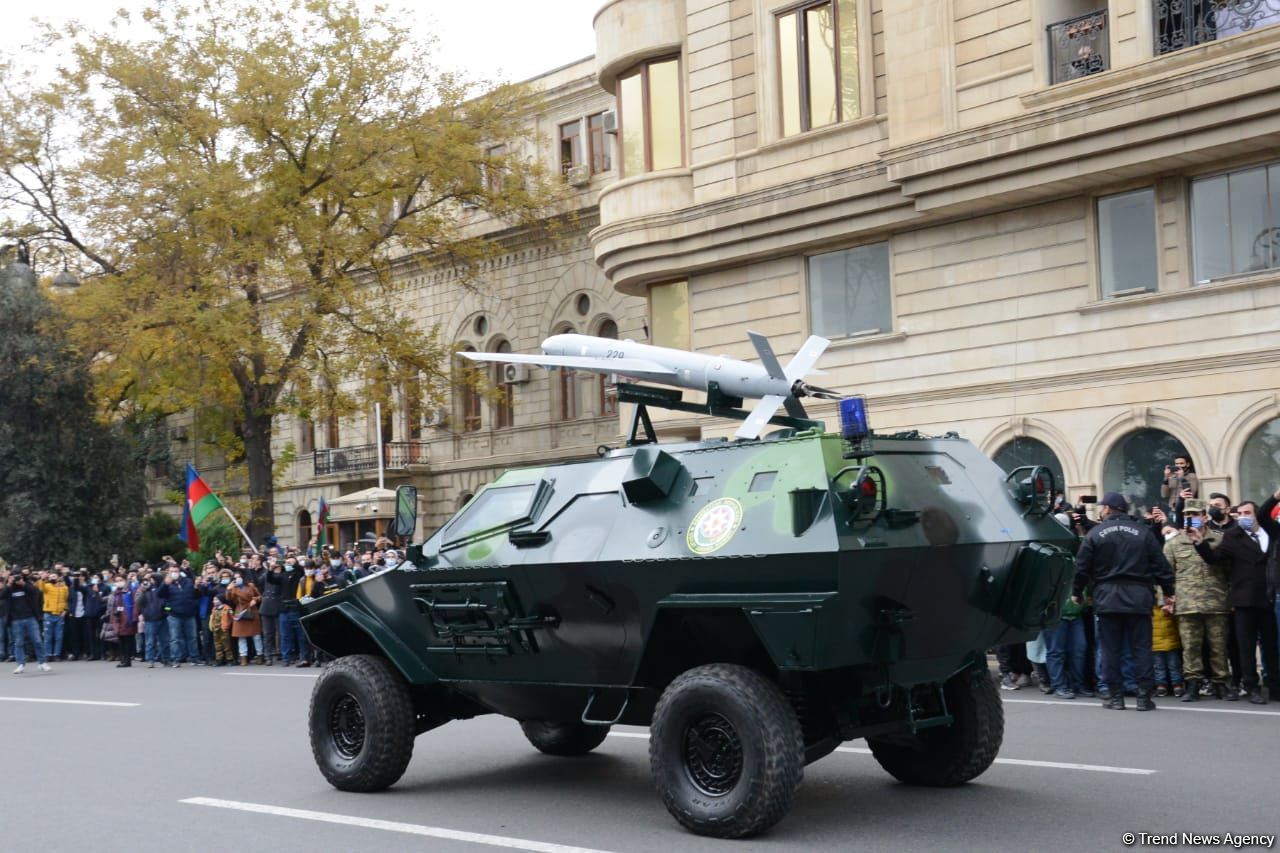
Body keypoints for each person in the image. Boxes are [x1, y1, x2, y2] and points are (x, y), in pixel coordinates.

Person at [1073, 492, 1175, 711]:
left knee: (1110, 649)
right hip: (1139, 596)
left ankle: (1115, 697)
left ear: (1109, 509)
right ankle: (1143, 697)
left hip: (1107, 597)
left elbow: (1081, 567)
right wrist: (1168, 591)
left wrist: (1077, 591)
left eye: (1103, 507)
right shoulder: (1143, 532)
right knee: (1141, 648)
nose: (1101, 510)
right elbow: (1161, 565)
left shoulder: (1095, 533)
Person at [1188, 500, 1278, 705]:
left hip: (1268, 598)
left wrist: (1275, 497)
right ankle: (1251, 686)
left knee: (1271, 645)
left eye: (1248, 512)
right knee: (1245, 646)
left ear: (1257, 514)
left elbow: (1265, 514)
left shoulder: (1270, 532)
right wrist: (1199, 542)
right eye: (1240, 513)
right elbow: (1214, 558)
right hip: (1244, 600)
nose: (1243, 516)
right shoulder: (1232, 536)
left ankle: (1274, 685)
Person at [1162, 499, 1231, 702]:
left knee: (1218, 646)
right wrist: (1165, 600)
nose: (1191, 518)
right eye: (1187, 515)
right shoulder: (1174, 543)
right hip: (1186, 602)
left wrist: (1231, 599)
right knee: (1190, 647)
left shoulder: (1219, 539)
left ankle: (1221, 683)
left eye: (1195, 514)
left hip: (1215, 601)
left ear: (1205, 516)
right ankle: (1192, 684)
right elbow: (1165, 576)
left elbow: (1229, 572)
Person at [2, 571, 50, 674]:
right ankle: (20, 664)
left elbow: (36, 592)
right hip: (16, 620)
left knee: (37, 640)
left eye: (17, 577)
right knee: (18, 643)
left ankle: (42, 663)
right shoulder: (9, 588)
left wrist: (23, 584)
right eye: (13, 577)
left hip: (30, 618)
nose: (15, 580)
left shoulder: (26, 586)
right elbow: (1, 596)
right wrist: (9, 584)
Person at [158, 563, 201, 666]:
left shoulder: (188, 582)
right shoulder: (166, 583)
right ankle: (175, 659)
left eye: (176, 571)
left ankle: (194, 658)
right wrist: (165, 584)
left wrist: (196, 588)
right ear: (168, 573)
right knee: (175, 638)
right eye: (172, 572)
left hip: (189, 614)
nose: (174, 573)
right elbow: (159, 594)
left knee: (192, 637)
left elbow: (196, 596)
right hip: (174, 615)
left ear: (179, 572)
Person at [1150, 580, 1183, 697]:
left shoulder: (1168, 608)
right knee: (1160, 666)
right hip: (1157, 644)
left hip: (1170, 642)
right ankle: (1161, 685)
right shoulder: (1150, 610)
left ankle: (1176, 684)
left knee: (1173, 665)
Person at [224, 571, 263, 666]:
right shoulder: (233, 588)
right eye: (235, 578)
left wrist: (255, 600)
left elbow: (260, 596)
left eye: (238, 577)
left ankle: (260, 656)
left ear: (243, 578)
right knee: (241, 637)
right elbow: (229, 599)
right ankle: (243, 657)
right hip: (240, 612)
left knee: (256, 636)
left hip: (251, 610)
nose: (237, 579)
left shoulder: (251, 586)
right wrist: (228, 590)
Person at [38, 569, 69, 661]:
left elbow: (66, 600)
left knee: (59, 636)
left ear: (58, 577)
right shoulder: (47, 586)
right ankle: (48, 654)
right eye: (51, 577)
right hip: (48, 614)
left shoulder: (64, 588)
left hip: (60, 615)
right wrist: (42, 579)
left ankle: (57, 654)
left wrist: (65, 610)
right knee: (48, 636)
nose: (52, 578)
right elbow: (41, 588)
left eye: (54, 577)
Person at [106, 578, 137, 668]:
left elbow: (134, 604)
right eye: (117, 580)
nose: (118, 582)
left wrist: (133, 617)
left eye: (120, 580)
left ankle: (127, 660)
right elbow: (112, 606)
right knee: (121, 640)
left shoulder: (129, 592)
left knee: (127, 640)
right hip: (118, 619)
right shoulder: (115, 593)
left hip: (127, 618)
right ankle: (123, 659)